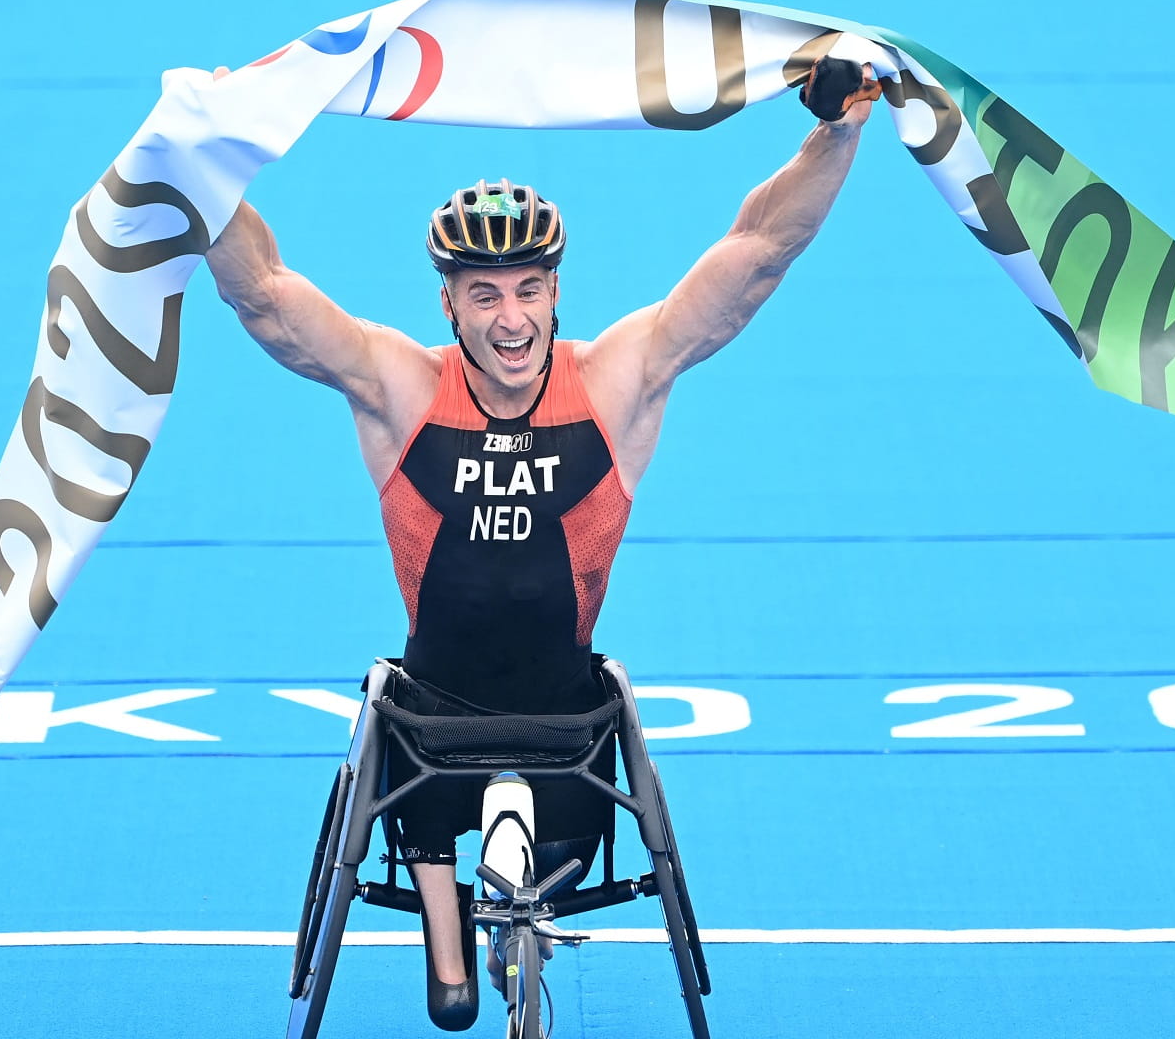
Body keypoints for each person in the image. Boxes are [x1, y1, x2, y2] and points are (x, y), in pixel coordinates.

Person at [205, 55, 882, 1030]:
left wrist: (838, 131)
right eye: (484, 296)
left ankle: (494, 908)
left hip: (571, 726)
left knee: (501, 766)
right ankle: (449, 930)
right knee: (413, 750)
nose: (511, 319)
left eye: (528, 290)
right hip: (429, 718)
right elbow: (265, 296)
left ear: (556, 290)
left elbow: (759, 251)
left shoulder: (612, 381)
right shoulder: (403, 388)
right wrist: (204, 160)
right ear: (448, 303)